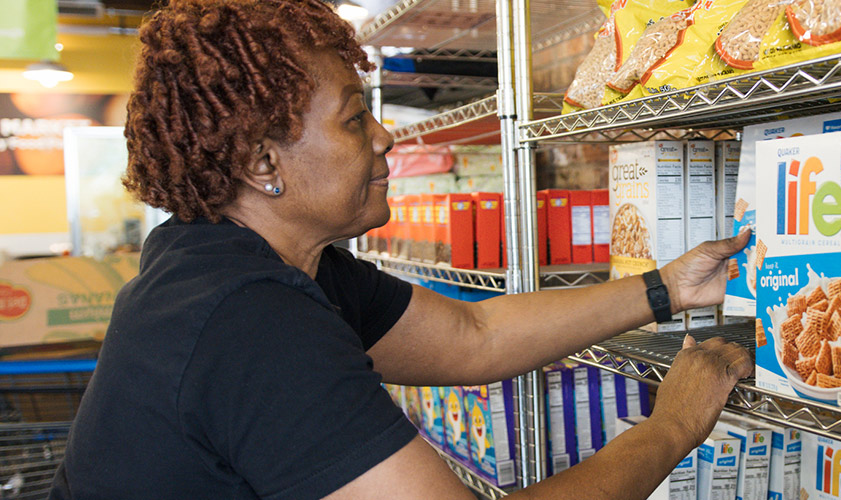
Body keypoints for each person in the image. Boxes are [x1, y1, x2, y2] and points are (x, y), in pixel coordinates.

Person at [49, 1, 753, 498]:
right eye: (356, 120)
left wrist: (667, 287)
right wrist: (672, 428)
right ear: (264, 165)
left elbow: (471, 336)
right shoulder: (249, 324)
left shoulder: (247, 258)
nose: (386, 138)